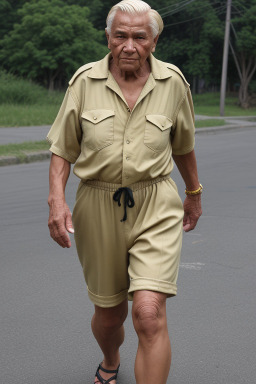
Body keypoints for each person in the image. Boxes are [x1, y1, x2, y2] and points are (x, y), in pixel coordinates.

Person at [47, 1, 202, 383]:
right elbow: (63, 149)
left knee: (148, 313)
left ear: (153, 41)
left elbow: (183, 145)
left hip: (156, 203)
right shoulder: (84, 82)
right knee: (109, 314)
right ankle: (111, 357)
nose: (129, 45)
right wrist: (56, 200)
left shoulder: (173, 84)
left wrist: (194, 192)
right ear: (108, 37)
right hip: (96, 204)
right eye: (121, 36)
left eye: (139, 36)